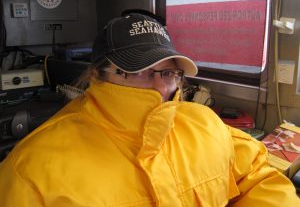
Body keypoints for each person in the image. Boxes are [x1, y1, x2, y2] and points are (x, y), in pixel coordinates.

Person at [0, 12, 299, 207]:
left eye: (169, 72)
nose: (159, 87)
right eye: (138, 71)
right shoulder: (32, 171)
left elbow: (259, 180)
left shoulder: (205, 124)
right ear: (97, 74)